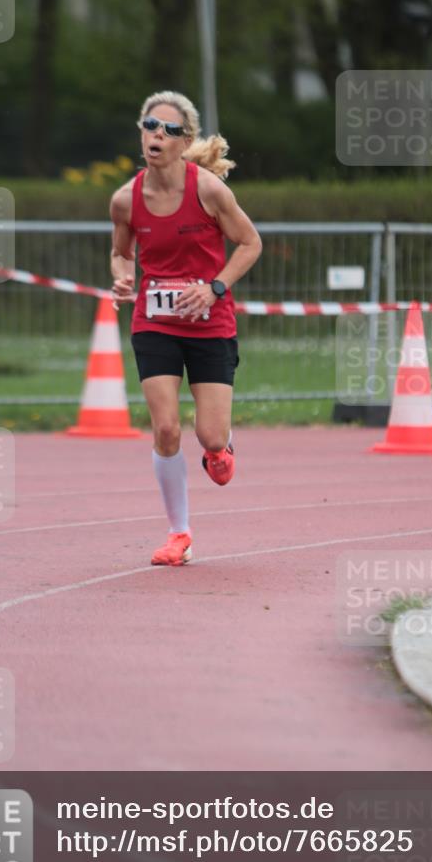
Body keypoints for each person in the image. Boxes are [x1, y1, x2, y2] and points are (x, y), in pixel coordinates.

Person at [110, 90, 262, 567]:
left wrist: (215, 288)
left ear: (186, 140)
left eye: (169, 129)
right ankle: (179, 533)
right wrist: (121, 274)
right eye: (150, 125)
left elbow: (250, 243)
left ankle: (222, 448)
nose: (157, 134)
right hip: (154, 323)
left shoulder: (209, 191)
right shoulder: (124, 199)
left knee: (210, 437)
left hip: (210, 322)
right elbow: (120, 250)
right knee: (167, 429)